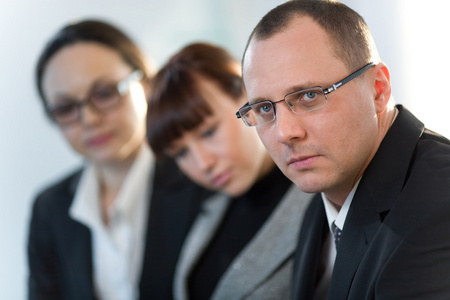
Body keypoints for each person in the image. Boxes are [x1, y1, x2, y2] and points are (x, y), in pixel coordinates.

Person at [237, 0, 450, 299]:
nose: (285, 133)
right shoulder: (324, 195)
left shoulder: (440, 205)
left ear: (378, 89)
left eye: (309, 95)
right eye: (263, 108)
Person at [28, 20, 207, 300]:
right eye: (65, 108)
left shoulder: (201, 172)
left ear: (147, 84)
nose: (89, 119)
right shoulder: (50, 209)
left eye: (104, 93)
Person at [146, 42, 313, 300]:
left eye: (209, 132)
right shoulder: (206, 210)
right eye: (181, 153)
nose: (203, 163)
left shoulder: (322, 196)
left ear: (249, 96)